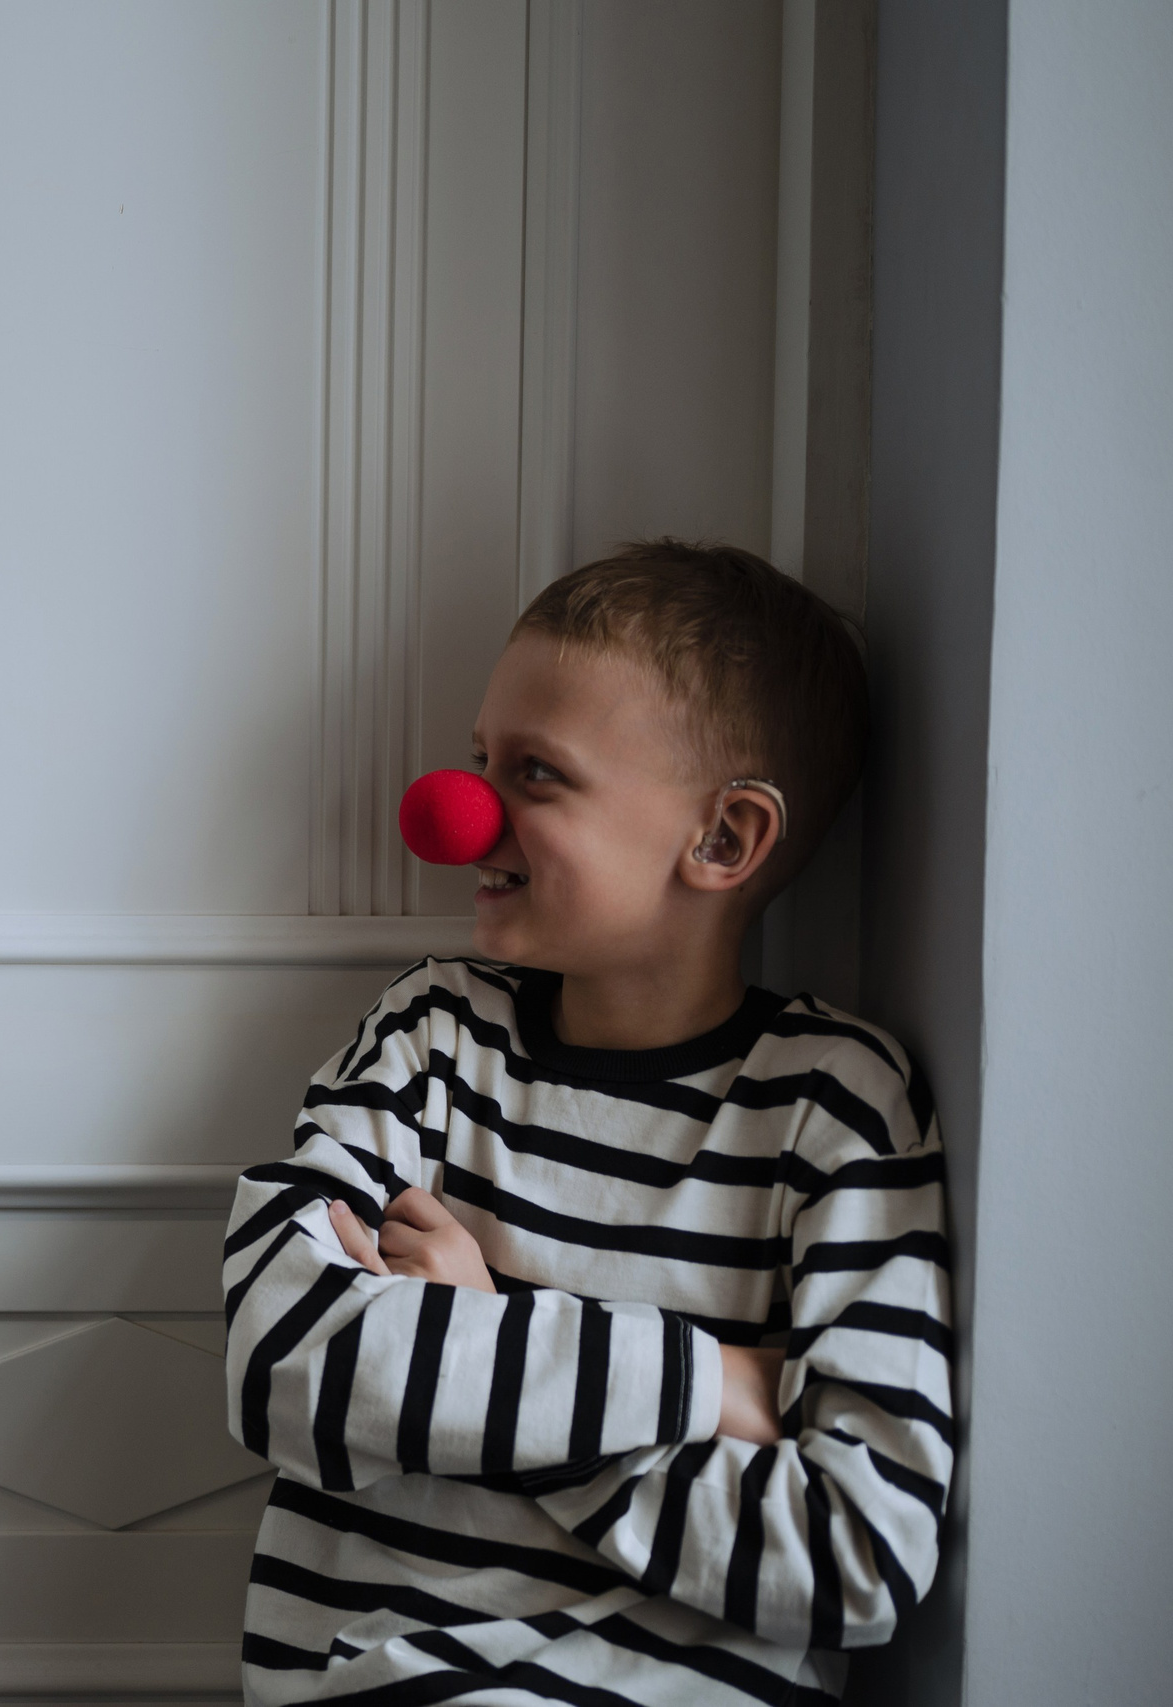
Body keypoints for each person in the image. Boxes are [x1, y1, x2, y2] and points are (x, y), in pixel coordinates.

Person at [223, 542, 950, 1704]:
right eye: (479, 762)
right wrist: (712, 1387)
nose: (456, 813)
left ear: (722, 841)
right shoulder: (429, 1038)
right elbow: (282, 1362)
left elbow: (855, 1558)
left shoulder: (833, 1103)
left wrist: (485, 1329)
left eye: (537, 775)